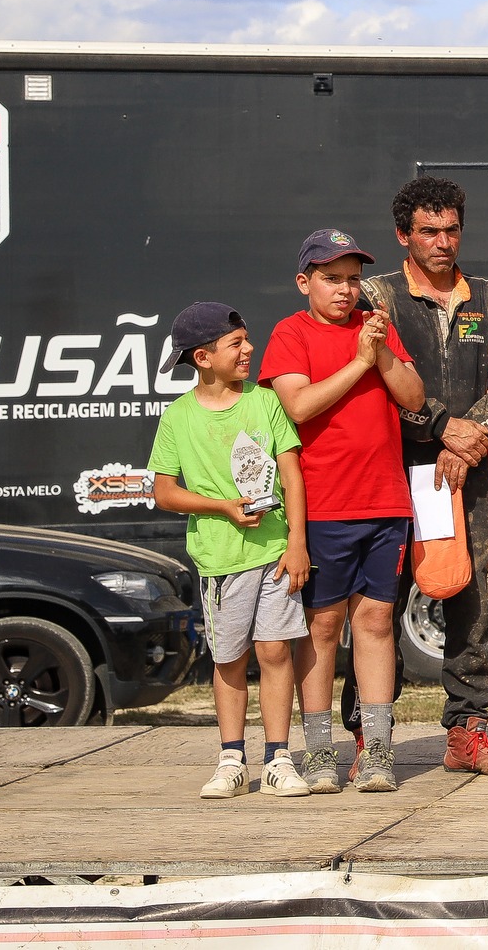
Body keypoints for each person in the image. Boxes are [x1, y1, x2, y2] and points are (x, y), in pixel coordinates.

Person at [361, 175, 488, 778]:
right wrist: (439, 428)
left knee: (476, 598)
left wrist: (470, 434)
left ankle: (468, 732)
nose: (442, 242)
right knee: (377, 602)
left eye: (452, 230)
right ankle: (368, 738)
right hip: (388, 467)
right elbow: (369, 377)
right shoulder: (375, 297)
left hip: (473, 472)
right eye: (429, 232)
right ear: (403, 235)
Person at [260, 230, 426, 795]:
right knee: (322, 625)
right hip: (324, 505)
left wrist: (378, 351)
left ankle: (378, 750)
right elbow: (299, 405)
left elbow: (414, 398)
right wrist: (360, 364)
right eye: (332, 278)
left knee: (377, 622)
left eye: (354, 278)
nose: (345, 290)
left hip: (384, 500)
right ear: (305, 282)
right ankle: (318, 751)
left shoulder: (374, 327)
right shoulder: (290, 333)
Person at [146, 302, 311, 800]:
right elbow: (164, 491)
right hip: (220, 561)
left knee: (275, 651)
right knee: (229, 658)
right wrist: (223, 507)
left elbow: (291, 472)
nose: (249, 350)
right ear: (203, 357)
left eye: (247, 339)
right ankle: (232, 759)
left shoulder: (265, 402)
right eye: (236, 343)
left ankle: (279, 758)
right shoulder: (178, 417)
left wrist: (297, 541)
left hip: (276, 554)